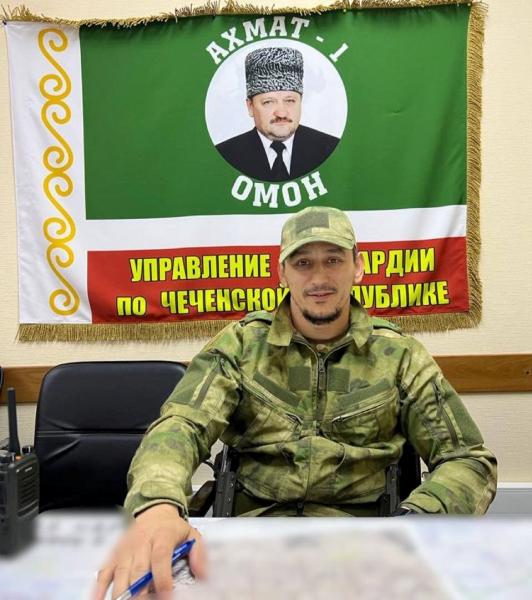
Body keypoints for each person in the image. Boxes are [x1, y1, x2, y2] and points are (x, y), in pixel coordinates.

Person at [94, 206, 497, 600]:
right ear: (282, 272)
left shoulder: (399, 356)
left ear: (357, 267)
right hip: (250, 541)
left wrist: (417, 522)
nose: (319, 278)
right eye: (303, 263)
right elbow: (181, 426)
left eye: (333, 260)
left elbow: (468, 459)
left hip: (361, 545)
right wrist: (158, 506)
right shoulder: (241, 346)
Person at [216, 47, 340, 182]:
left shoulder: (331, 150)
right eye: (268, 102)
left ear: (300, 102)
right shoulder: (224, 155)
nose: (281, 113)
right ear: (250, 107)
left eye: (290, 101)